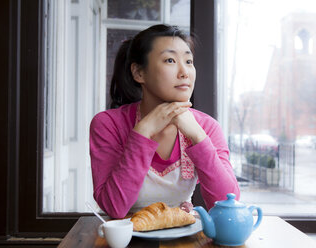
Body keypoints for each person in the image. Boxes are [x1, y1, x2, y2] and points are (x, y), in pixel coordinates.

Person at [90, 24, 240, 219]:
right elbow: (114, 207)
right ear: (139, 73)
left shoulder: (206, 127)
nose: (185, 72)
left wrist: (198, 137)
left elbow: (228, 202)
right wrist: (142, 133)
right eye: (170, 60)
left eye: (188, 61)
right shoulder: (108, 124)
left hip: (183, 235)